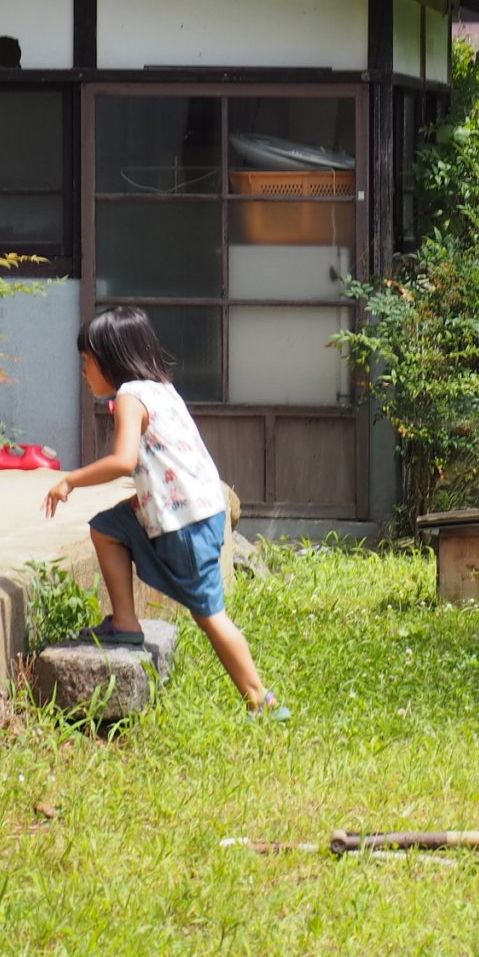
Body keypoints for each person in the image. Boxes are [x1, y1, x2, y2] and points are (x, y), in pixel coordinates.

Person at [42, 306, 289, 721]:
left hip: (185, 523)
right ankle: (125, 622)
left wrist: (70, 480)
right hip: (197, 511)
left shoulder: (129, 397)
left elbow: (123, 461)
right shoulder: (160, 389)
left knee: (210, 615)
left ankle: (260, 698)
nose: (83, 371)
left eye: (87, 362)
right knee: (106, 528)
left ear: (111, 359)